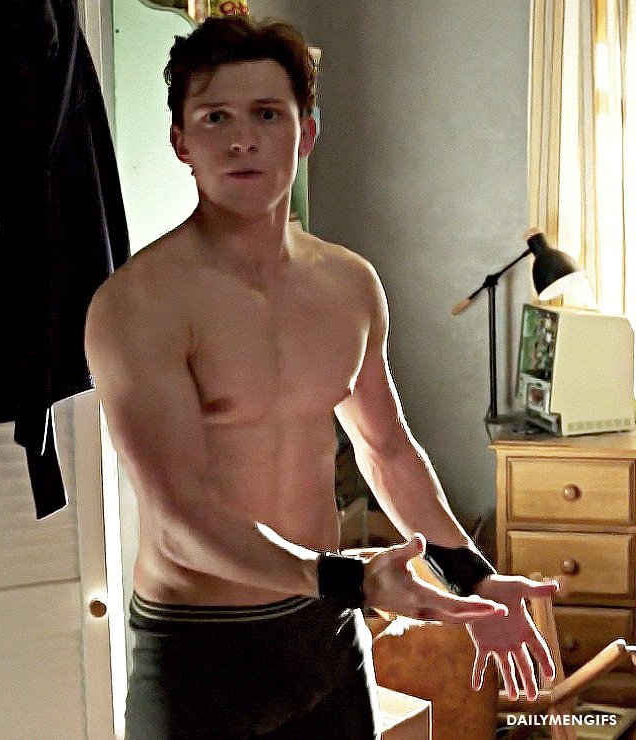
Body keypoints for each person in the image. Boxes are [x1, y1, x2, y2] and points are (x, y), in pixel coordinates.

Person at [84, 15, 557, 739]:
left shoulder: (349, 285)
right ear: (181, 142)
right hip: (199, 654)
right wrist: (352, 580)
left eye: (267, 114)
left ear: (305, 134)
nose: (242, 139)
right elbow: (182, 517)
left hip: (326, 641)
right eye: (215, 118)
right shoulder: (137, 305)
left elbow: (386, 449)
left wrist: (471, 575)